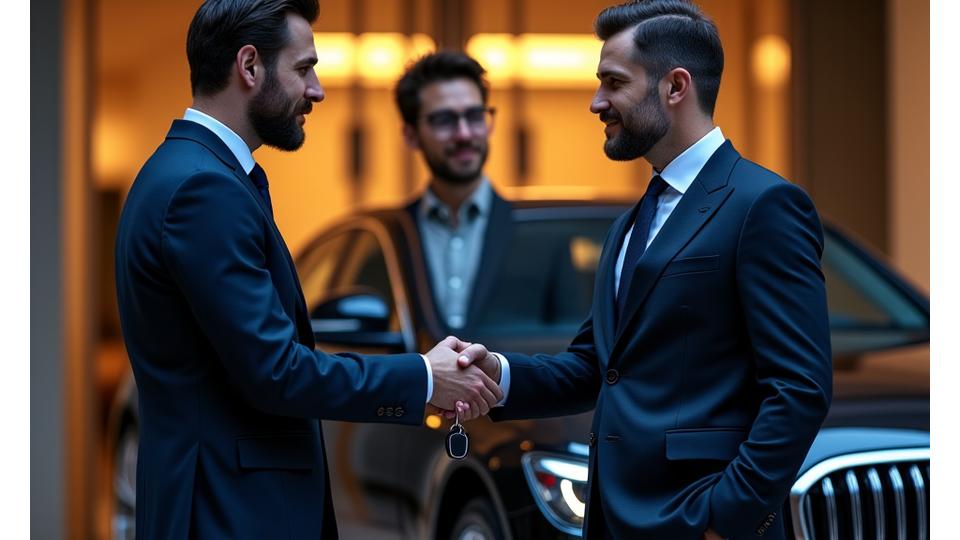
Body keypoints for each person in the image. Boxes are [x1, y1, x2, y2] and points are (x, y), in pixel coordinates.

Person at [114, 1, 498, 538]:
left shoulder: (188, 173)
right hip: (228, 511)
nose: (316, 90)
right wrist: (423, 376)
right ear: (249, 67)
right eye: (303, 68)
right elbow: (276, 371)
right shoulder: (205, 190)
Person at [462, 1, 832, 539]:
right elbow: (597, 367)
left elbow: (800, 388)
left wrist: (725, 518)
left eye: (613, 83)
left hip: (697, 520)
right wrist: (498, 375)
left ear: (675, 87)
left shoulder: (765, 204)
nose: (596, 102)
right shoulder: (630, 224)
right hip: (613, 519)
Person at [394, 51, 515, 332]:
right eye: (444, 120)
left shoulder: (537, 236)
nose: (464, 134)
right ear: (411, 135)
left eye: (475, 116)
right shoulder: (389, 237)